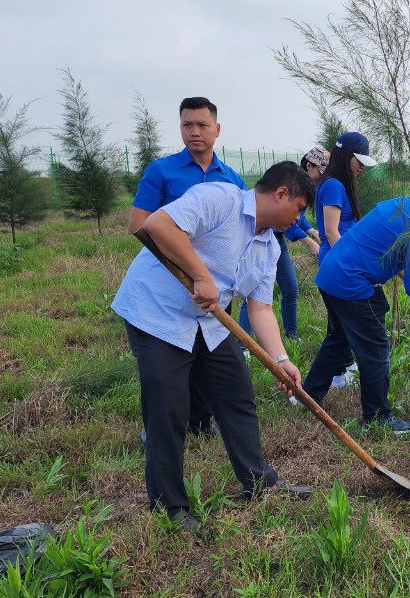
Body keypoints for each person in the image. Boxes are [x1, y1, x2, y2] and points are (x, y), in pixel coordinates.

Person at [111, 161, 315, 530]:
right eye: (299, 209)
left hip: (209, 323)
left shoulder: (269, 248)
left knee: (237, 397)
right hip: (158, 315)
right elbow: (157, 225)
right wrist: (202, 275)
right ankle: (170, 509)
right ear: (281, 193)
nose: (298, 220)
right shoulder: (220, 198)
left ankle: (259, 483)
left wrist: (280, 358)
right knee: (169, 410)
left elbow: (262, 309)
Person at [304, 172, 410, 434]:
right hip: (351, 282)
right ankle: (377, 416)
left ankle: (309, 395)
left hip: (331, 274)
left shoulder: (404, 205)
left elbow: (399, 263)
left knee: (338, 340)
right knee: (376, 349)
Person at [127, 96, 243, 440]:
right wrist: (178, 265)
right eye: (187, 125)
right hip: (171, 281)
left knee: (208, 352)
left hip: (215, 283)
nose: (195, 132)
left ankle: (200, 419)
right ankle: (158, 428)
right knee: (165, 360)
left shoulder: (232, 178)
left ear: (217, 129)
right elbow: (139, 223)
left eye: (202, 125)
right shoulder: (162, 171)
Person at [240, 147, 326, 340]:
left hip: (276, 242)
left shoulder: (304, 191)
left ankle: (291, 335)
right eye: (319, 173)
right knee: (251, 290)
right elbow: (285, 220)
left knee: (290, 290)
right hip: (265, 236)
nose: (320, 179)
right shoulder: (290, 184)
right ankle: (243, 344)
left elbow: (298, 218)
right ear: (309, 165)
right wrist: (309, 243)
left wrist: (313, 232)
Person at [316, 131, 376, 264]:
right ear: (344, 156)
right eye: (359, 161)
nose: (362, 166)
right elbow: (331, 232)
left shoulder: (339, 184)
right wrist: (351, 262)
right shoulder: (333, 185)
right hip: (338, 262)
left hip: (341, 258)